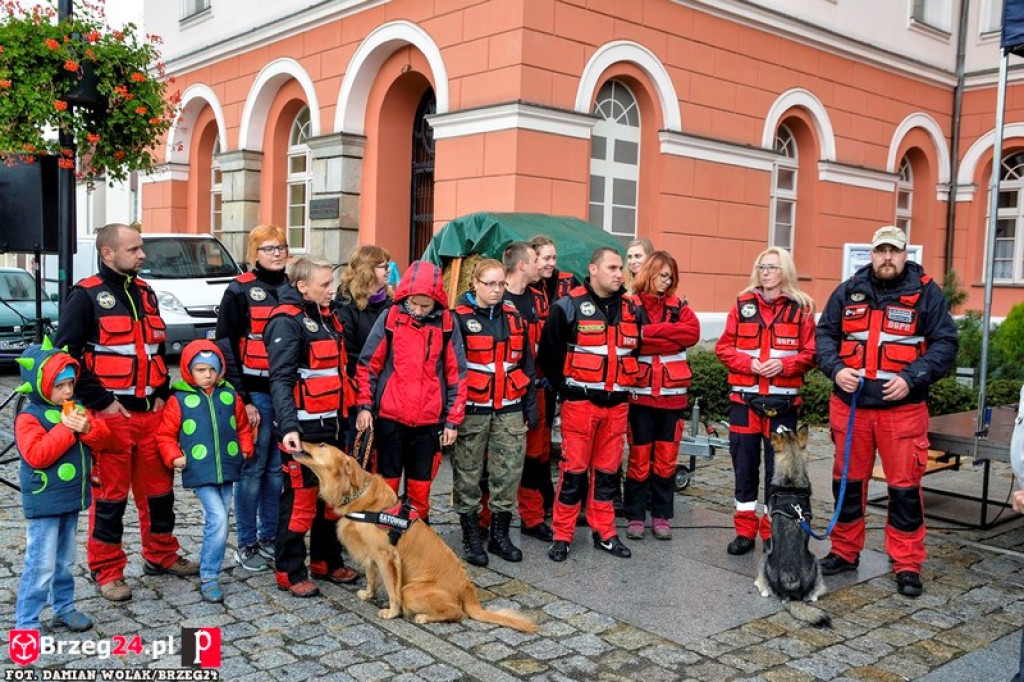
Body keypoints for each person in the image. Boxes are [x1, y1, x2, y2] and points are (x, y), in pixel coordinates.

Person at [55, 222, 198, 603]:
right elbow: (64, 358)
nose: (142, 255)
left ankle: (161, 555)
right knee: (110, 499)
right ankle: (107, 571)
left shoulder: (146, 292)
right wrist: (101, 401)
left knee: (160, 494)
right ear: (108, 254)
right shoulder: (85, 296)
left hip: (152, 416)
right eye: (134, 249)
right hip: (110, 418)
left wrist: (164, 393)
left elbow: (153, 351)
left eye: (141, 248)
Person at [816, 225, 957, 597]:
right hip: (852, 407)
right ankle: (844, 551)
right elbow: (824, 335)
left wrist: (912, 378)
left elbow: (945, 344)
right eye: (881, 251)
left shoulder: (927, 293)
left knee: (905, 490)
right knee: (847, 485)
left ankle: (907, 563)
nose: (888, 257)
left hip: (902, 411)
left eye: (894, 251)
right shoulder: (848, 290)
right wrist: (836, 369)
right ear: (872, 254)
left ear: (905, 254)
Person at [537, 247, 639, 562]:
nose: (619, 274)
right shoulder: (567, 307)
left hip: (617, 407)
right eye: (612, 268)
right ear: (593, 270)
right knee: (573, 473)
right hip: (580, 405)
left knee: (607, 474)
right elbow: (548, 355)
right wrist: (568, 388)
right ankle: (562, 536)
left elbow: (634, 352)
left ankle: (605, 533)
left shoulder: (632, 309)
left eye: (621, 268)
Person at [715, 247, 816, 556]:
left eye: (772, 267)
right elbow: (723, 348)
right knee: (744, 469)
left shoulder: (802, 308)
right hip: (744, 403)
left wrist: (783, 366)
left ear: (785, 271)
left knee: (780, 473)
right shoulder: (741, 304)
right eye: (762, 267)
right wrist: (750, 365)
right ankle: (745, 531)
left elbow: (812, 353)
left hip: (783, 406)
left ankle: (774, 531)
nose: (766, 272)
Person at [266, 256, 357, 597]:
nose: (332, 290)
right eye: (325, 284)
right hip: (303, 431)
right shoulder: (286, 322)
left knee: (332, 498)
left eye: (332, 283)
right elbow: (281, 379)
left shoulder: (327, 317)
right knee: (300, 502)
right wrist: (289, 427)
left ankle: (326, 561)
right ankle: (289, 571)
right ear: (302, 286)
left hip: (332, 425)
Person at [14, 339, 115, 632]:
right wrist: (66, 428)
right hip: (45, 502)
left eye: (70, 384)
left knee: (65, 560)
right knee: (41, 563)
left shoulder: (77, 408)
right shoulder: (28, 418)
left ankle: (64, 608)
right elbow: (37, 455)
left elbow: (104, 440)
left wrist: (87, 427)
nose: (68, 392)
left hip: (71, 498)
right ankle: (27, 622)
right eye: (60, 386)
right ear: (41, 386)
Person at [355, 260, 467, 521]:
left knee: (420, 492)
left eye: (425, 306)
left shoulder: (447, 323)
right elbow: (368, 365)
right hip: (391, 421)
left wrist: (452, 421)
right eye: (413, 303)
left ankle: (416, 536)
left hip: (428, 424)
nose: (417, 310)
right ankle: (384, 538)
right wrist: (365, 407)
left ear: (436, 301)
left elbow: (457, 375)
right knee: (386, 492)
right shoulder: (390, 317)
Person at [451, 259, 537, 566]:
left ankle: (500, 536)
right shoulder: (458, 319)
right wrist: (449, 415)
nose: (497, 290)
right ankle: (472, 535)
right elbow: (451, 369)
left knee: (508, 473)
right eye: (490, 284)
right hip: (472, 409)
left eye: (501, 284)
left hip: (509, 408)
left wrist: (530, 408)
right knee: (467, 474)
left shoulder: (515, 319)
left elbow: (527, 364)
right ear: (475, 283)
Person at [156, 341, 254, 603]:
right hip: (200, 471)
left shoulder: (230, 395)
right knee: (218, 520)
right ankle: (209, 576)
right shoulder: (178, 400)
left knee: (219, 521)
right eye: (200, 370)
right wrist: (174, 457)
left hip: (228, 469)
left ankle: (210, 571)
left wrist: (245, 448)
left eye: (212, 369)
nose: (207, 375)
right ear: (189, 370)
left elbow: (243, 427)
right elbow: (165, 434)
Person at [216, 223, 288, 573]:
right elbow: (225, 344)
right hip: (255, 394)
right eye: (268, 248)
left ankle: (269, 536)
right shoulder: (239, 290)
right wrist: (241, 397)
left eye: (281, 247)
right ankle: (246, 543)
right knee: (253, 470)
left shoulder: (294, 287)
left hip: (286, 395)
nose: (277, 253)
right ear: (254, 253)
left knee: (277, 472)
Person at [625, 251, 700, 541]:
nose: (667, 281)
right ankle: (634, 516)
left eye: (671, 277)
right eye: (662, 275)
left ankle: (661, 516)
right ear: (649, 273)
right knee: (639, 458)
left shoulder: (679, 306)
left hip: (672, 398)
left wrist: (652, 333)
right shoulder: (631, 304)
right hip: (640, 396)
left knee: (667, 460)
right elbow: (632, 339)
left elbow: (692, 334)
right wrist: (669, 336)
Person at [503, 242, 554, 541]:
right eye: (536, 259)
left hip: (537, 391)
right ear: (522, 265)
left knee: (536, 456)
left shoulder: (538, 299)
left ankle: (532, 518)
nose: (541, 265)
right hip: (503, 394)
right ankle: (486, 521)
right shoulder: (497, 296)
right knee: (495, 458)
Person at [336, 245, 394, 452]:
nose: (388, 270)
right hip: (358, 389)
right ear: (367, 270)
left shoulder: (392, 304)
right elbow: (351, 353)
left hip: (387, 390)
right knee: (358, 453)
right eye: (383, 266)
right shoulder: (346, 306)